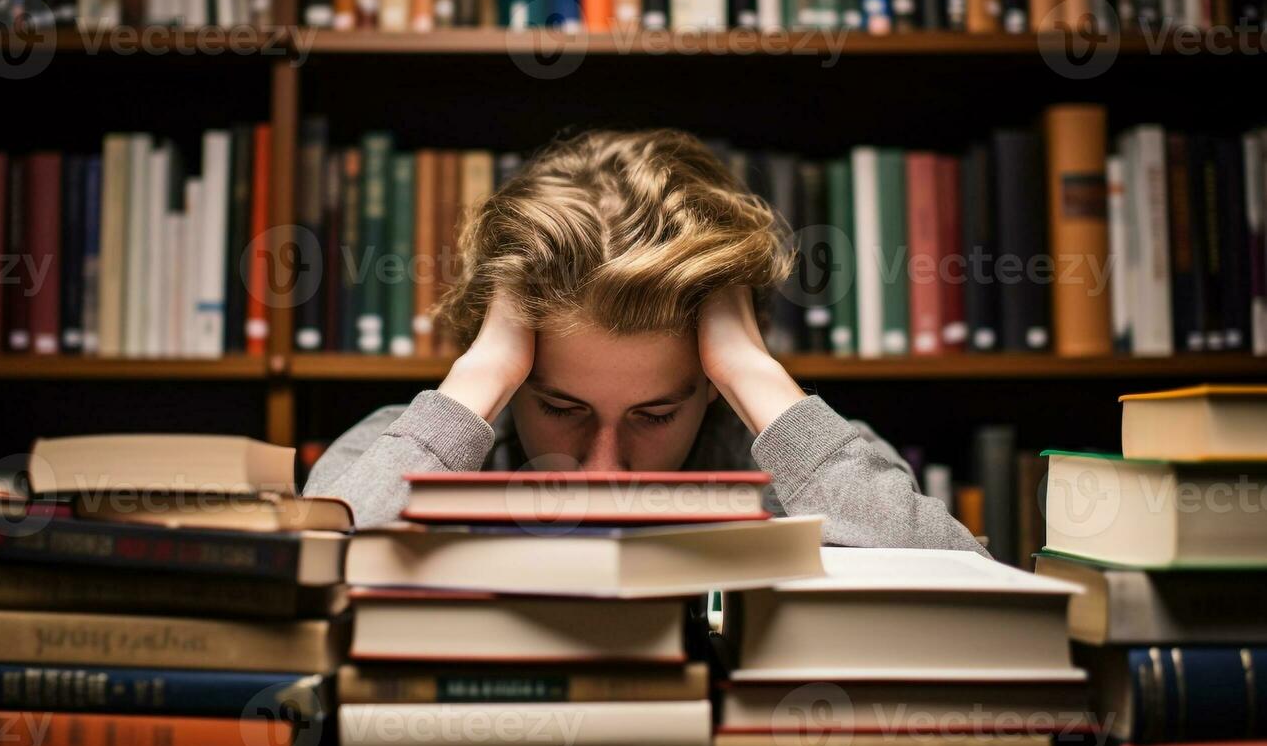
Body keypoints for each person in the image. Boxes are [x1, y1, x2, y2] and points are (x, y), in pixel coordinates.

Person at [304, 129, 985, 553]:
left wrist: (751, 370)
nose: (605, 471)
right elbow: (305, 574)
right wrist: (479, 374)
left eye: (656, 414)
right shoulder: (399, 447)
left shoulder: (811, 478)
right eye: (561, 408)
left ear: (712, 387)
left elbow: (973, 605)